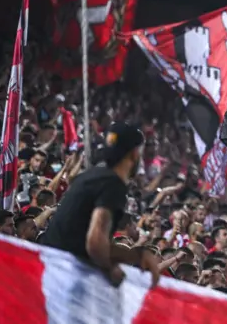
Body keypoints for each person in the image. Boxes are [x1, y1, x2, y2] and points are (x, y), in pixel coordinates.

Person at [39, 122, 160, 287]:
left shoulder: (91, 176)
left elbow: (86, 239)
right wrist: (110, 269)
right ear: (134, 154)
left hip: (48, 266)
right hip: (63, 275)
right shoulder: (113, 184)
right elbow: (95, 243)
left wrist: (136, 255)